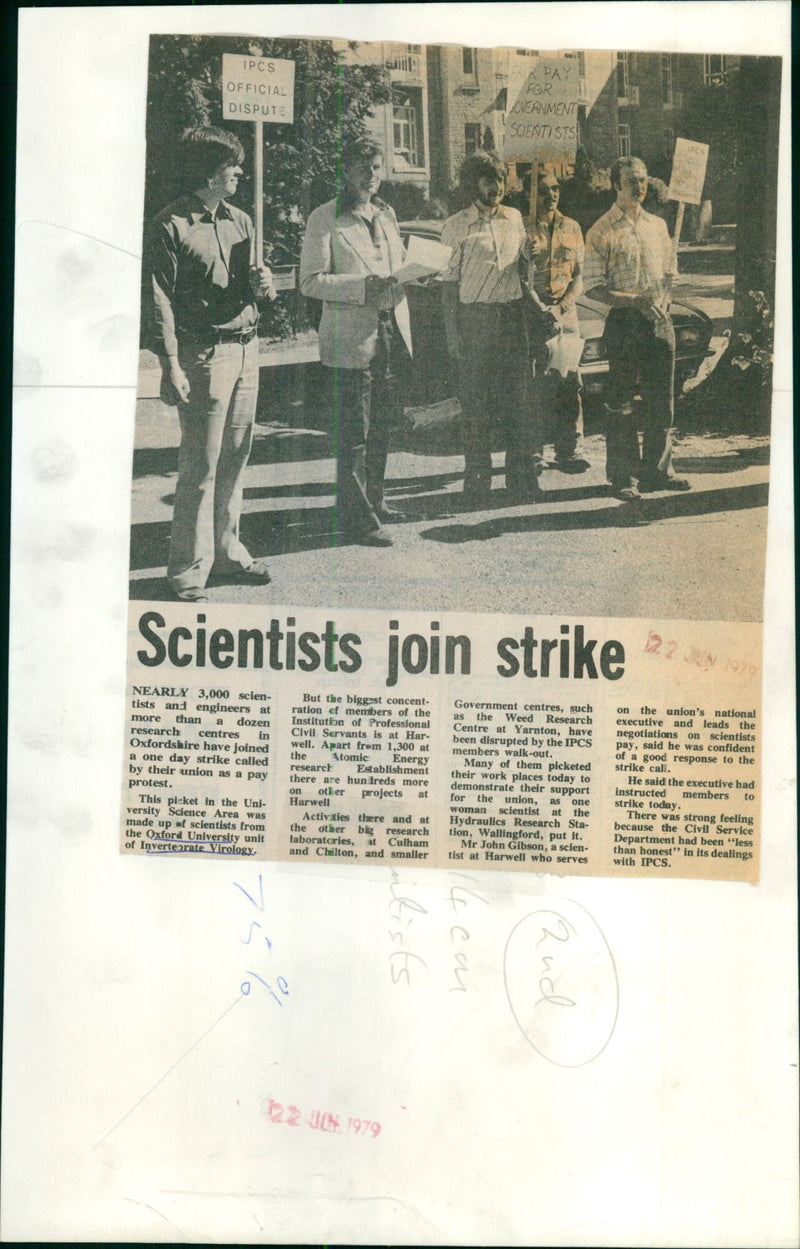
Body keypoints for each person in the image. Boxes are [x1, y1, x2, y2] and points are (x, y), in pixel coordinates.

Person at [148, 126, 276, 601]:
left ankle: (228, 553)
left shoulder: (242, 220)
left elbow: (253, 289)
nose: (239, 172)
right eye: (231, 166)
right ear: (207, 171)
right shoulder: (170, 224)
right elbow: (159, 301)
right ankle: (186, 569)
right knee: (199, 466)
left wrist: (265, 288)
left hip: (247, 348)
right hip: (203, 354)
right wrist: (170, 364)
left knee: (236, 460)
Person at [299, 136, 412, 547]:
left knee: (382, 424)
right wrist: (364, 286)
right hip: (350, 338)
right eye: (363, 168)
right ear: (345, 171)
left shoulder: (385, 215)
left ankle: (375, 503)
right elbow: (310, 282)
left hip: (389, 331)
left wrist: (417, 273)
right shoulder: (324, 218)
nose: (372, 176)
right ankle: (356, 519)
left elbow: (397, 266)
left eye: (378, 168)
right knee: (353, 432)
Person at [583, 155, 691, 501]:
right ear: (616, 184)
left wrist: (668, 290)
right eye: (632, 181)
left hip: (660, 321)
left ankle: (658, 471)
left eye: (643, 180)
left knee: (663, 400)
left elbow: (669, 272)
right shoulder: (601, 230)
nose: (640, 187)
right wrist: (634, 301)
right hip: (625, 324)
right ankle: (623, 476)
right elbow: (594, 288)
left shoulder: (658, 226)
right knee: (622, 403)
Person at [440, 151, 536, 505]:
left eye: (499, 179)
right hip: (474, 320)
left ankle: (522, 481)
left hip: (511, 318)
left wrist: (531, 258)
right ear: (472, 184)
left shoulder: (515, 218)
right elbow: (448, 284)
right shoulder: (455, 225)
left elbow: (525, 276)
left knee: (517, 403)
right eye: (487, 179)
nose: (495, 187)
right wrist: (453, 333)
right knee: (477, 407)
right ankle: (478, 485)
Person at [526, 168, 590, 474]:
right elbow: (518, 280)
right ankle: (534, 452)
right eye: (543, 190)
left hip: (566, 316)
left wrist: (563, 305)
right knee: (535, 383)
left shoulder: (573, 227)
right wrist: (541, 309)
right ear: (530, 196)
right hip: (532, 314)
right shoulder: (523, 229)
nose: (551, 195)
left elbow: (579, 276)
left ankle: (569, 451)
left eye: (555, 189)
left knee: (569, 382)